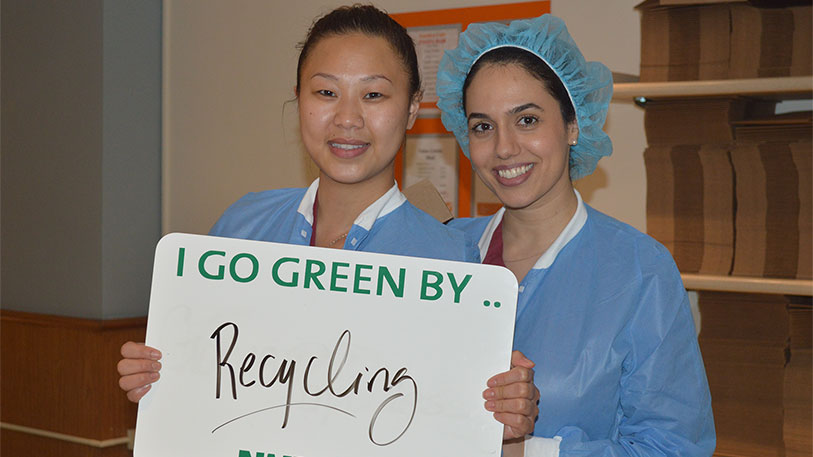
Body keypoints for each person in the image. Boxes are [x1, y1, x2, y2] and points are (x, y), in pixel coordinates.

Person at [117, 5, 539, 442]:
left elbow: (448, 428)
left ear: (413, 108)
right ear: (299, 98)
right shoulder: (242, 227)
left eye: (373, 95)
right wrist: (156, 377)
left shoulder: (451, 263)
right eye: (325, 92)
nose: (347, 119)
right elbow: (204, 387)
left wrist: (504, 419)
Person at [436, 14, 715, 456]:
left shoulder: (639, 272)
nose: (504, 148)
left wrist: (526, 451)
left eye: (527, 120)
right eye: (483, 126)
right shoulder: (443, 252)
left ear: (573, 125)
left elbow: (673, 447)